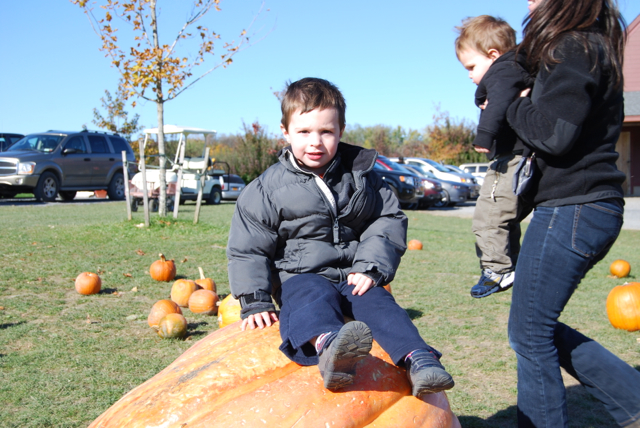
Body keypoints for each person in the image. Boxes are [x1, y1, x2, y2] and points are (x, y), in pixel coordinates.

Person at [226, 77, 454, 397]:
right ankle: (331, 347)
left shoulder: (359, 175)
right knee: (309, 296)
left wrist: (370, 266)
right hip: (300, 276)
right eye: (304, 132)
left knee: (379, 303)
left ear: (341, 131)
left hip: (352, 275)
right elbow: (248, 248)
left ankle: (420, 359)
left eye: (326, 132)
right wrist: (254, 300)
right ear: (285, 132)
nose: (315, 142)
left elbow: (385, 218)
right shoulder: (266, 189)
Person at [505, 0, 640, 426]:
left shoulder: (576, 45)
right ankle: (633, 400)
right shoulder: (581, 44)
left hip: (575, 208)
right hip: (579, 208)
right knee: (534, 329)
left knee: (529, 333)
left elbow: (554, 134)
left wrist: (512, 104)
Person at [455, 15, 534, 298]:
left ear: (493, 55)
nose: (469, 74)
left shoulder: (504, 71)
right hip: (517, 157)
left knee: (488, 217)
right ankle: (512, 266)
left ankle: (497, 270)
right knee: (503, 218)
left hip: (509, 160)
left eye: (472, 67)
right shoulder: (512, 70)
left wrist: (484, 135)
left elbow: (498, 104)